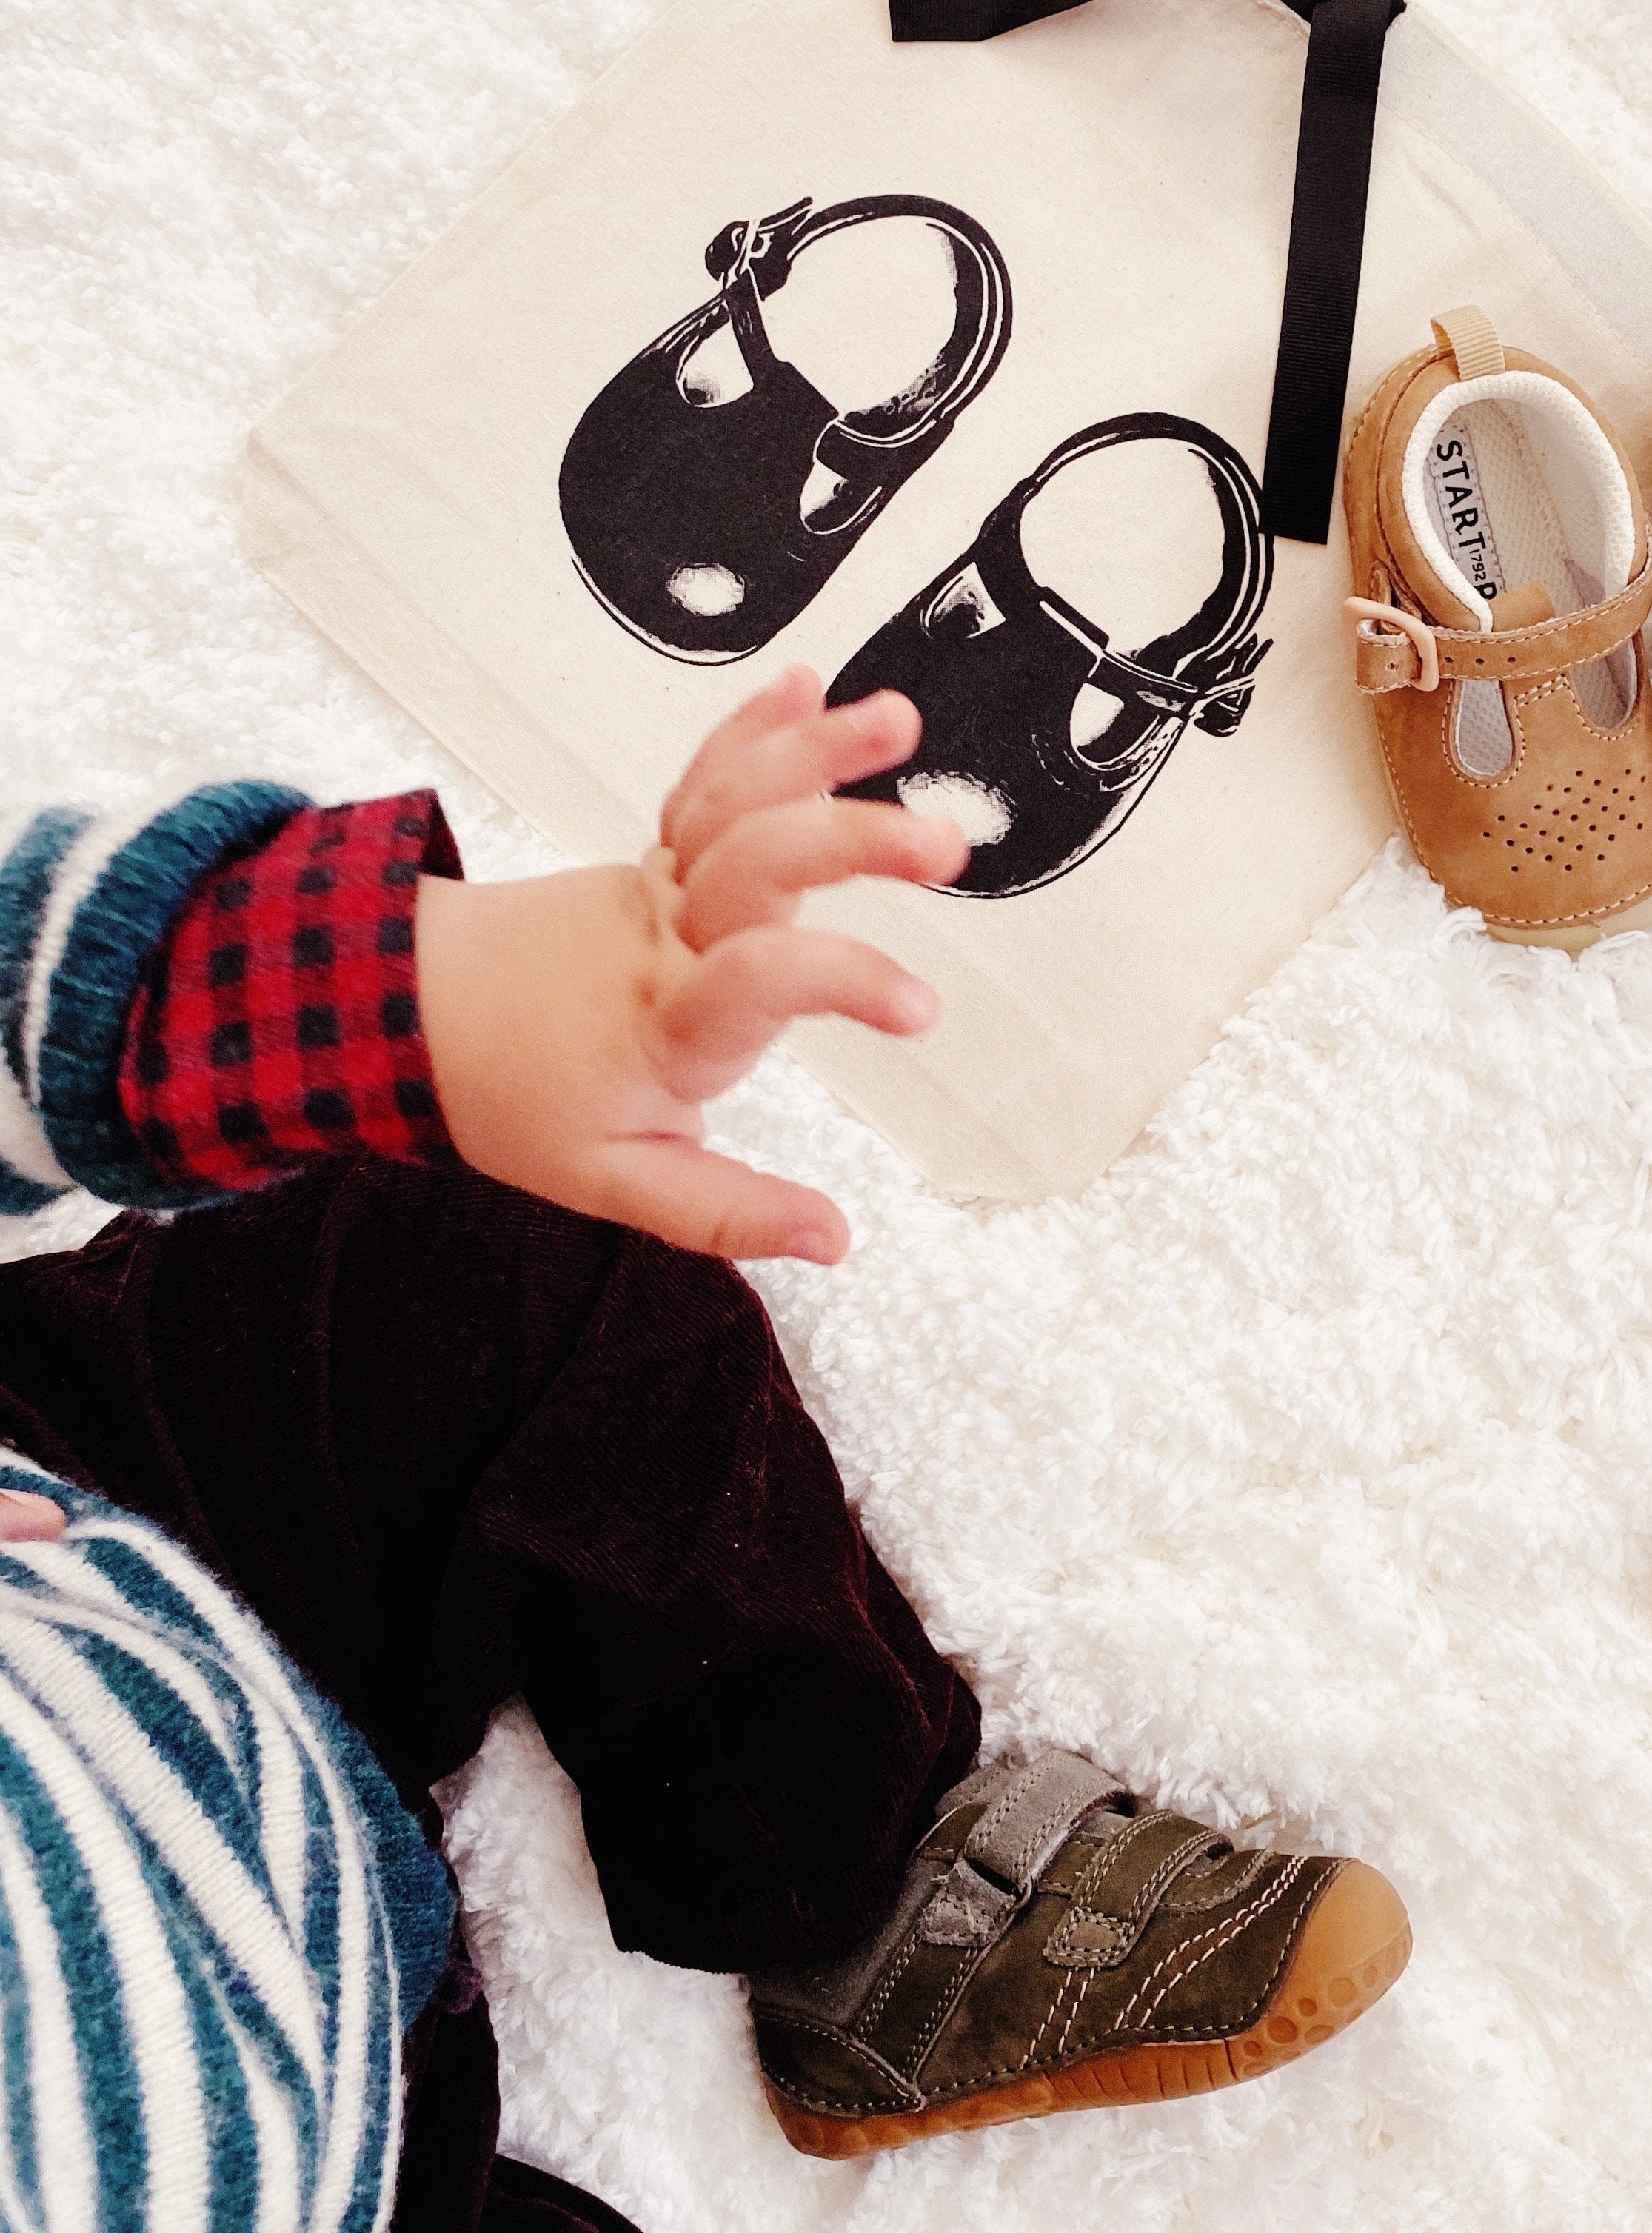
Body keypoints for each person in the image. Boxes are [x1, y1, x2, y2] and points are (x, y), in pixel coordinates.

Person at [0, 672, 1411, 2232]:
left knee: (492, 1253)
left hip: (90, 1532)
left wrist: (410, 994)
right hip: (316, 2154)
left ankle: (852, 1868)